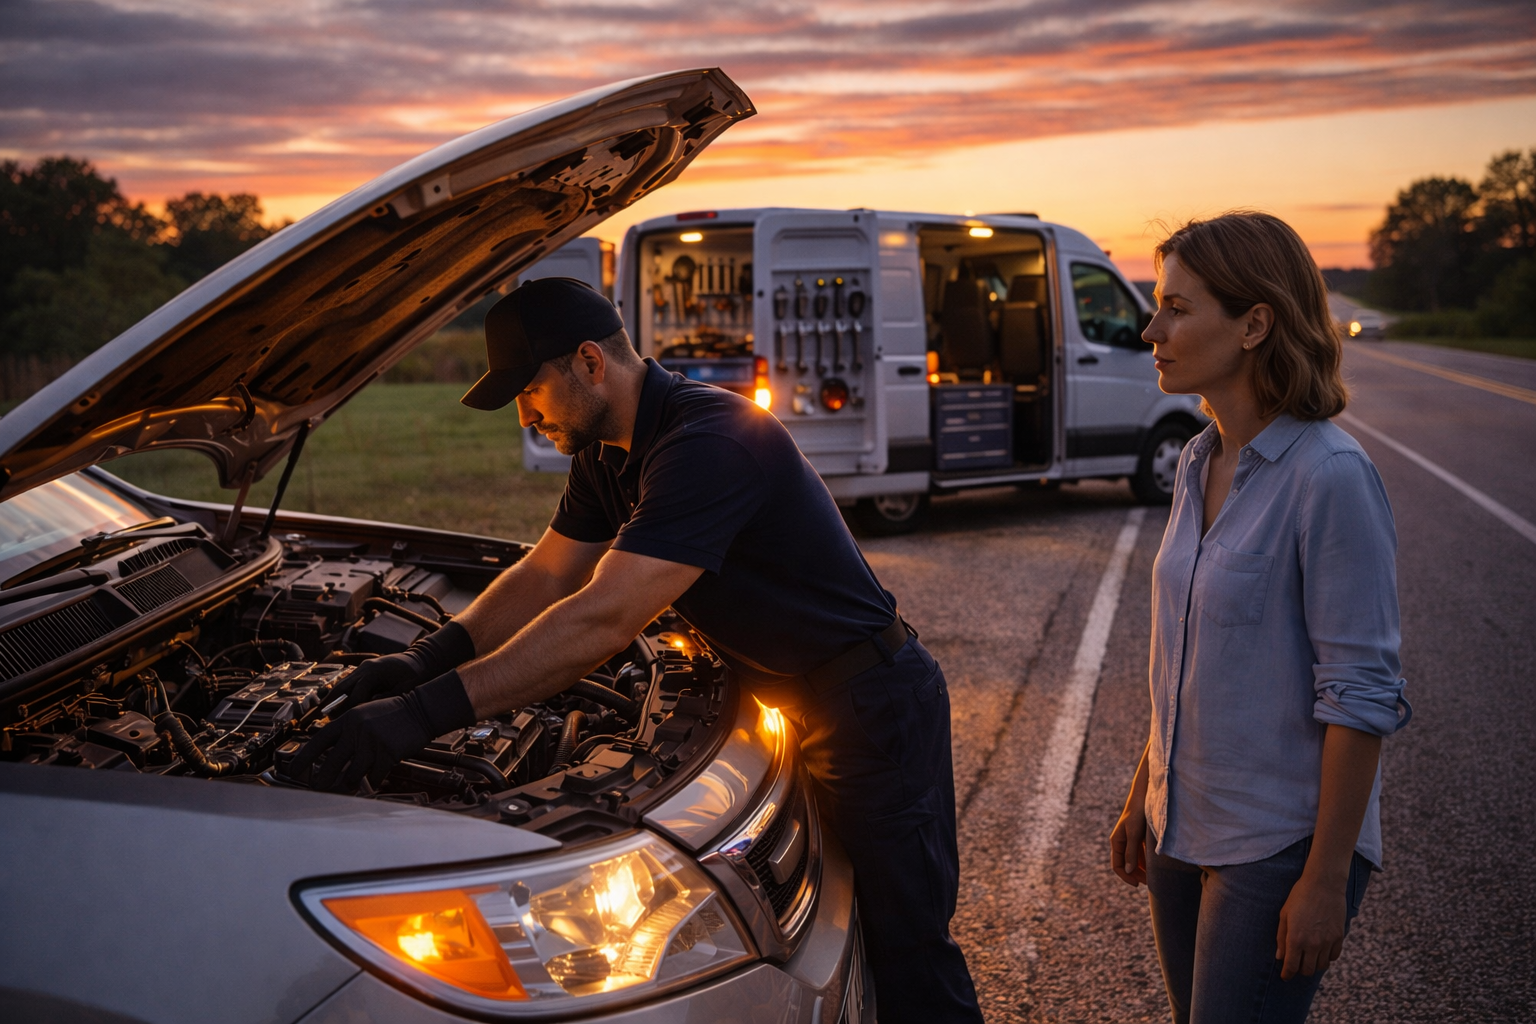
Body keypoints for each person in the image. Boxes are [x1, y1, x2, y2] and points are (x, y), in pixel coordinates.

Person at [292, 277, 984, 1024]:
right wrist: (428, 659)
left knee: (910, 951)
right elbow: (548, 572)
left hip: (872, 708)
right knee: (848, 939)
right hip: (808, 702)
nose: (524, 416)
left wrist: (420, 715)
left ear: (589, 363)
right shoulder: (607, 452)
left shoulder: (710, 441)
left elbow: (602, 617)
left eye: (530, 391)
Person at [1108, 212, 1412, 1024]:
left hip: (1279, 844)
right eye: (1157, 305)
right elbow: (1187, 650)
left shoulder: (1332, 477)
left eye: (1178, 307)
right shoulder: (1199, 459)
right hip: (1182, 822)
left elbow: (1361, 695)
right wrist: (1146, 790)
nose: (1151, 329)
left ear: (1254, 323)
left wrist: (1324, 878)